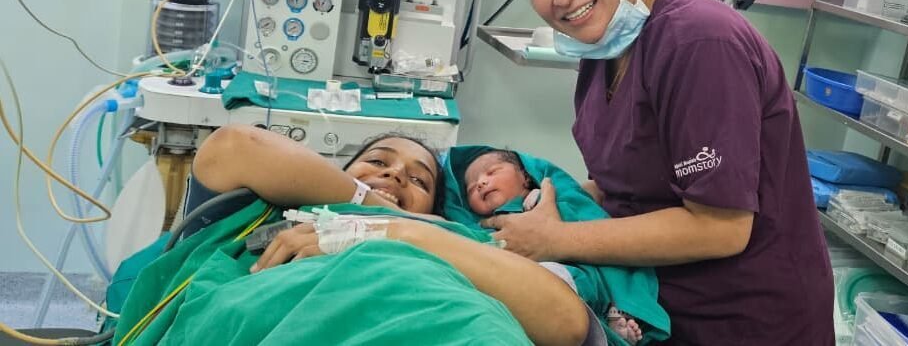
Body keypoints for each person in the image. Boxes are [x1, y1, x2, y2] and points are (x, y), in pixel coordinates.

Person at [487, 0, 835, 345]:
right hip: (660, 307)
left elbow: (720, 229)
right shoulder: (605, 47)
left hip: (745, 318)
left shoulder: (701, 44)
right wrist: (553, 201)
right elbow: (629, 183)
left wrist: (554, 240)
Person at [184, 124, 600, 346]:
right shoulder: (283, 214)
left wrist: (402, 231)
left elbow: (565, 323)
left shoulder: (458, 240)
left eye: (419, 181)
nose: (396, 172)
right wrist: (365, 209)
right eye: (377, 161)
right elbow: (234, 146)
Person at [464, 150, 644, 345]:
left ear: (525, 177)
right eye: (471, 189)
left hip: (565, 271)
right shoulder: (480, 224)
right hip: (519, 284)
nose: (481, 183)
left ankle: (613, 323)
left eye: (492, 172)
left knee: (571, 279)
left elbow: (579, 212)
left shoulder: (542, 197)